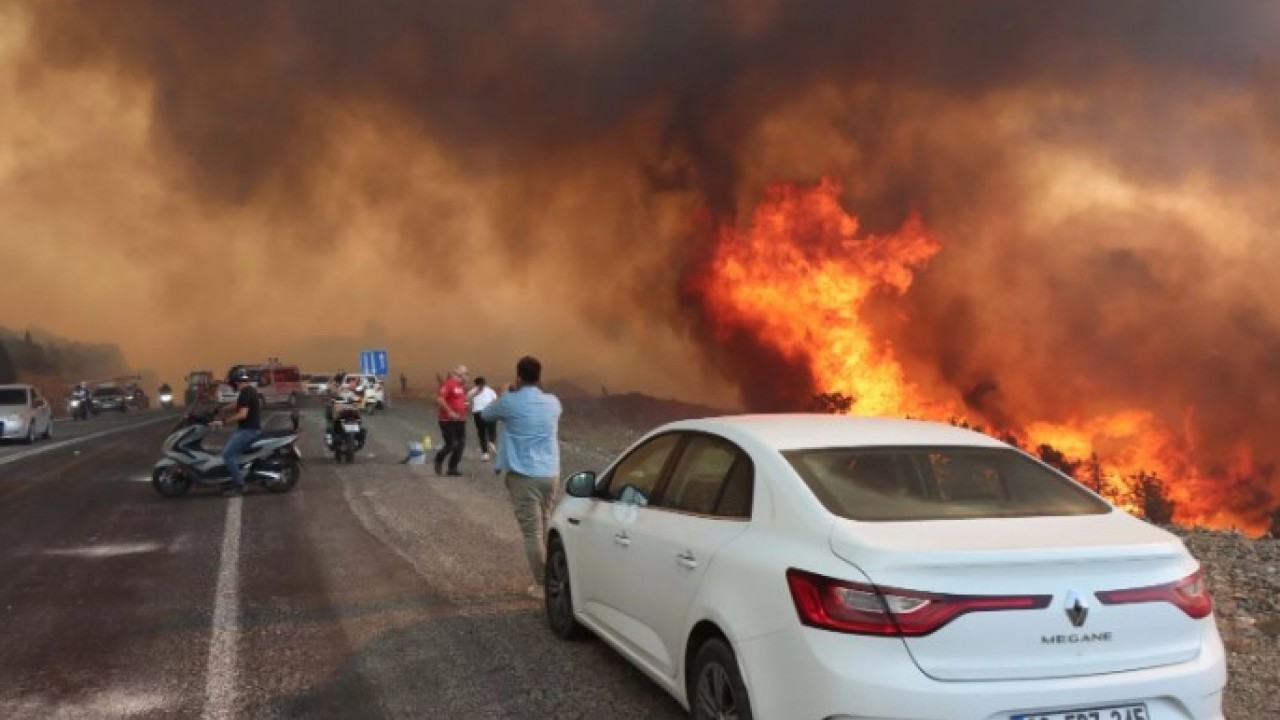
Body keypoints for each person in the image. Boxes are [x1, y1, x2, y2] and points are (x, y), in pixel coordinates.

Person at [481, 356, 562, 598]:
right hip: (550, 473)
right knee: (545, 523)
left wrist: (506, 392)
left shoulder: (510, 402)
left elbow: (486, 415)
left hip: (524, 475)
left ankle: (543, 584)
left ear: (518, 377)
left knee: (532, 532)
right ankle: (554, 575)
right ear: (540, 377)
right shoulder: (553, 403)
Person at [210, 368, 262, 497]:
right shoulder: (249, 391)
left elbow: (242, 414)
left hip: (248, 431)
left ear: (236, 381)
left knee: (227, 454)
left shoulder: (246, 392)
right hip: (249, 429)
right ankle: (234, 477)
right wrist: (219, 409)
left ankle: (240, 486)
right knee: (234, 454)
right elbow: (237, 404)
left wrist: (223, 422)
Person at [434, 364, 469, 476]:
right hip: (447, 420)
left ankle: (452, 468)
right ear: (458, 373)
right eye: (465, 373)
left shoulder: (461, 387)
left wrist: (465, 406)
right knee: (452, 443)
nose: (467, 375)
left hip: (460, 419)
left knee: (461, 444)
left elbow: (460, 401)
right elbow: (440, 399)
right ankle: (439, 458)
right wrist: (450, 411)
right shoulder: (449, 384)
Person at [468, 376, 499, 461]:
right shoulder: (490, 390)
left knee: (481, 433)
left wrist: (471, 410)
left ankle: (485, 453)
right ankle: (491, 442)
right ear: (484, 383)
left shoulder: (472, 391)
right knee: (492, 429)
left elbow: (468, 401)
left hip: (477, 413)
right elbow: (495, 400)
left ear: (475, 384)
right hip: (489, 411)